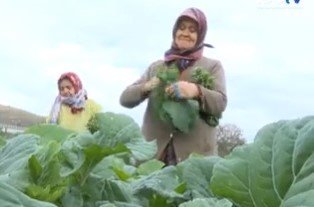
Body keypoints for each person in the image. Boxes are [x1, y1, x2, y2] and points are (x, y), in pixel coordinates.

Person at [120, 7, 227, 165]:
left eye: (192, 30)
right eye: (181, 28)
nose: (185, 33)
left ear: (200, 35)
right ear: (174, 31)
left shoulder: (212, 67)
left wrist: (195, 91)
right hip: (155, 156)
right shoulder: (156, 68)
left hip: (194, 158)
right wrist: (147, 86)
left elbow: (220, 103)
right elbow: (125, 99)